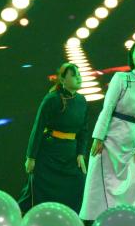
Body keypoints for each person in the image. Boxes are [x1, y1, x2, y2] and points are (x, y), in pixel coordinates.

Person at [80, 39, 135, 224]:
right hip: (111, 138)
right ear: (132, 57)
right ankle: (101, 224)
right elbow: (108, 108)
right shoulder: (121, 78)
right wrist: (98, 137)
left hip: (134, 143)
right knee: (103, 184)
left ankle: (132, 223)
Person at [18, 62, 88, 214]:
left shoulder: (82, 101)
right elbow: (38, 128)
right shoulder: (52, 99)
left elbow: (83, 130)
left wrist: (81, 154)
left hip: (70, 156)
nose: (79, 78)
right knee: (35, 191)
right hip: (49, 155)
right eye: (74, 75)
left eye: (79, 74)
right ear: (62, 79)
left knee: (78, 184)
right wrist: (31, 157)